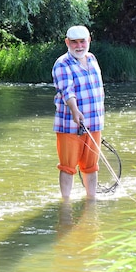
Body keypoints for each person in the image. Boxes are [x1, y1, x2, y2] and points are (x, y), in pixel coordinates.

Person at [52, 25, 105, 199]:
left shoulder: (92, 59)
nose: (79, 46)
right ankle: (65, 203)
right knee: (67, 167)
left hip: (94, 124)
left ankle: (91, 200)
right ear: (67, 42)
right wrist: (75, 111)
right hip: (69, 125)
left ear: (89, 41)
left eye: (82, 41)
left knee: (91, 166)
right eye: (74, 42)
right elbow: (67, 91)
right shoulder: (62, 63)